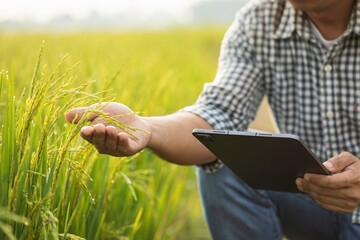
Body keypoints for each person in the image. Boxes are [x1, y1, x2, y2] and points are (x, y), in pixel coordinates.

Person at [65, 0, 360, 239]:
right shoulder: (259, 21)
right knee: (225, 158)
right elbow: (218, 114)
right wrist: (147, 128)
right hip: (312, 202)